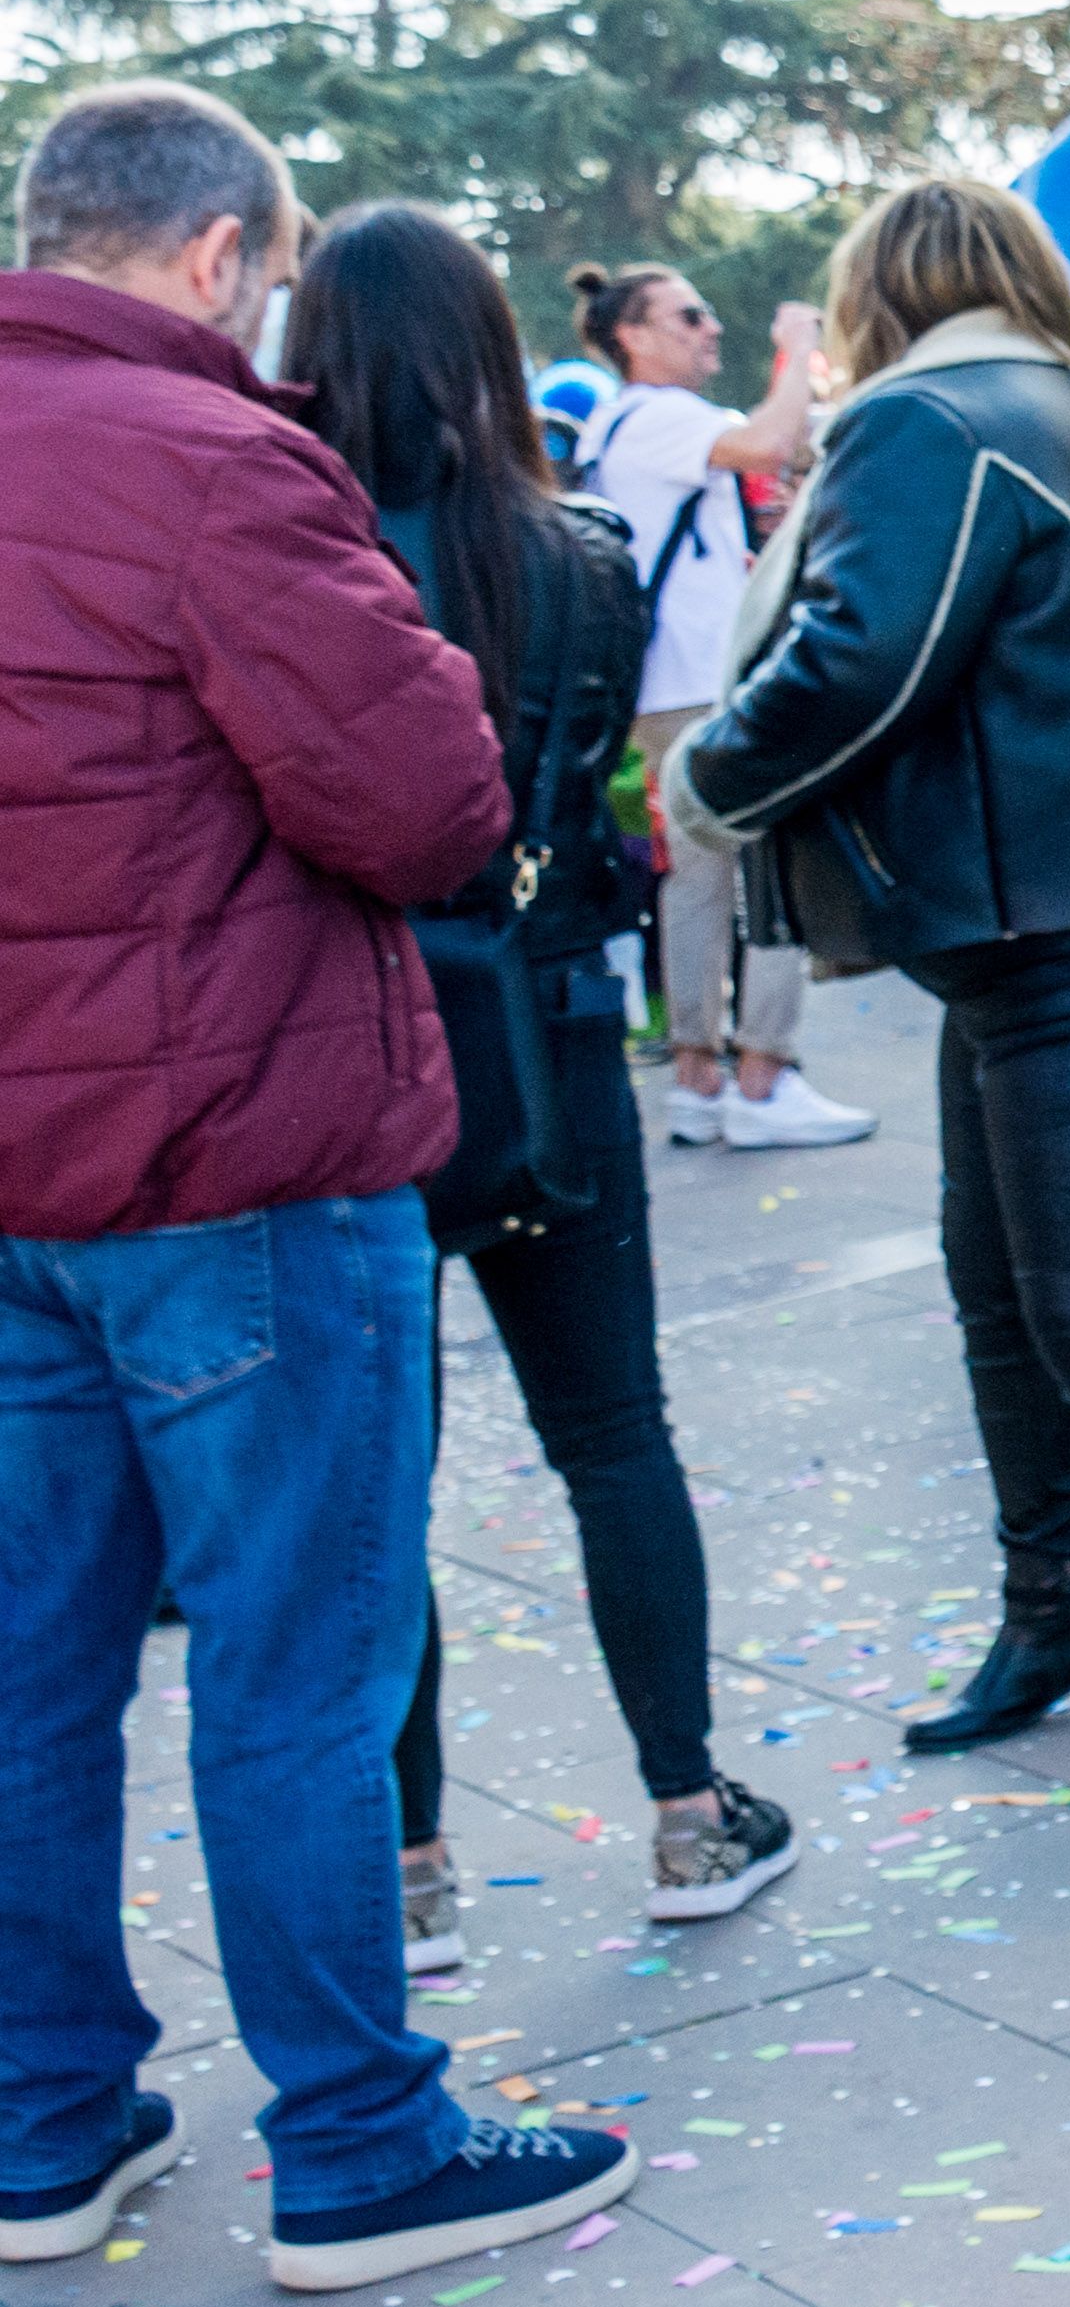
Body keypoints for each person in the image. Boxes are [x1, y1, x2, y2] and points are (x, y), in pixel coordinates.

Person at [0, 82, 632, 2291]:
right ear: (211, 254)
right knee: (294, 1663)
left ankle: (40, 2121)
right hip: (234, 1158)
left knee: (29, 1665)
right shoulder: (213, 460)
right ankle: (358, 2140)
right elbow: (425, 801)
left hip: (20, 1184)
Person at [667, 180, 1070, 1824]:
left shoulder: (928, 420)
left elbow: (856, 658)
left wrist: (706, 781)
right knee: (1010, 1287)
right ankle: (1060, 1621)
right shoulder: (1043, 400)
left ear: (880, 289)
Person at [294, 205, 806, 1974]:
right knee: (614, 1435)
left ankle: (412, 1862)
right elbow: (589, 802)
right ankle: (685, 1808)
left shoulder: (298, 556)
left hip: (354, 1050)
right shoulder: (572, 553)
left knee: (383, 1476)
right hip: (554, 1034)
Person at [565, 260, 871, 1151]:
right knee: (777, 857)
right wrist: (800, 344)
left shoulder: (626, 423)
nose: (710, 330)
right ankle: (763, 1078)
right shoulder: (658, 416)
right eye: (688, 316)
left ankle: (700, 1083)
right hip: (702, 682)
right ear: (634, 334)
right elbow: (769, 445)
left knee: (696, 880)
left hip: (667, 689)